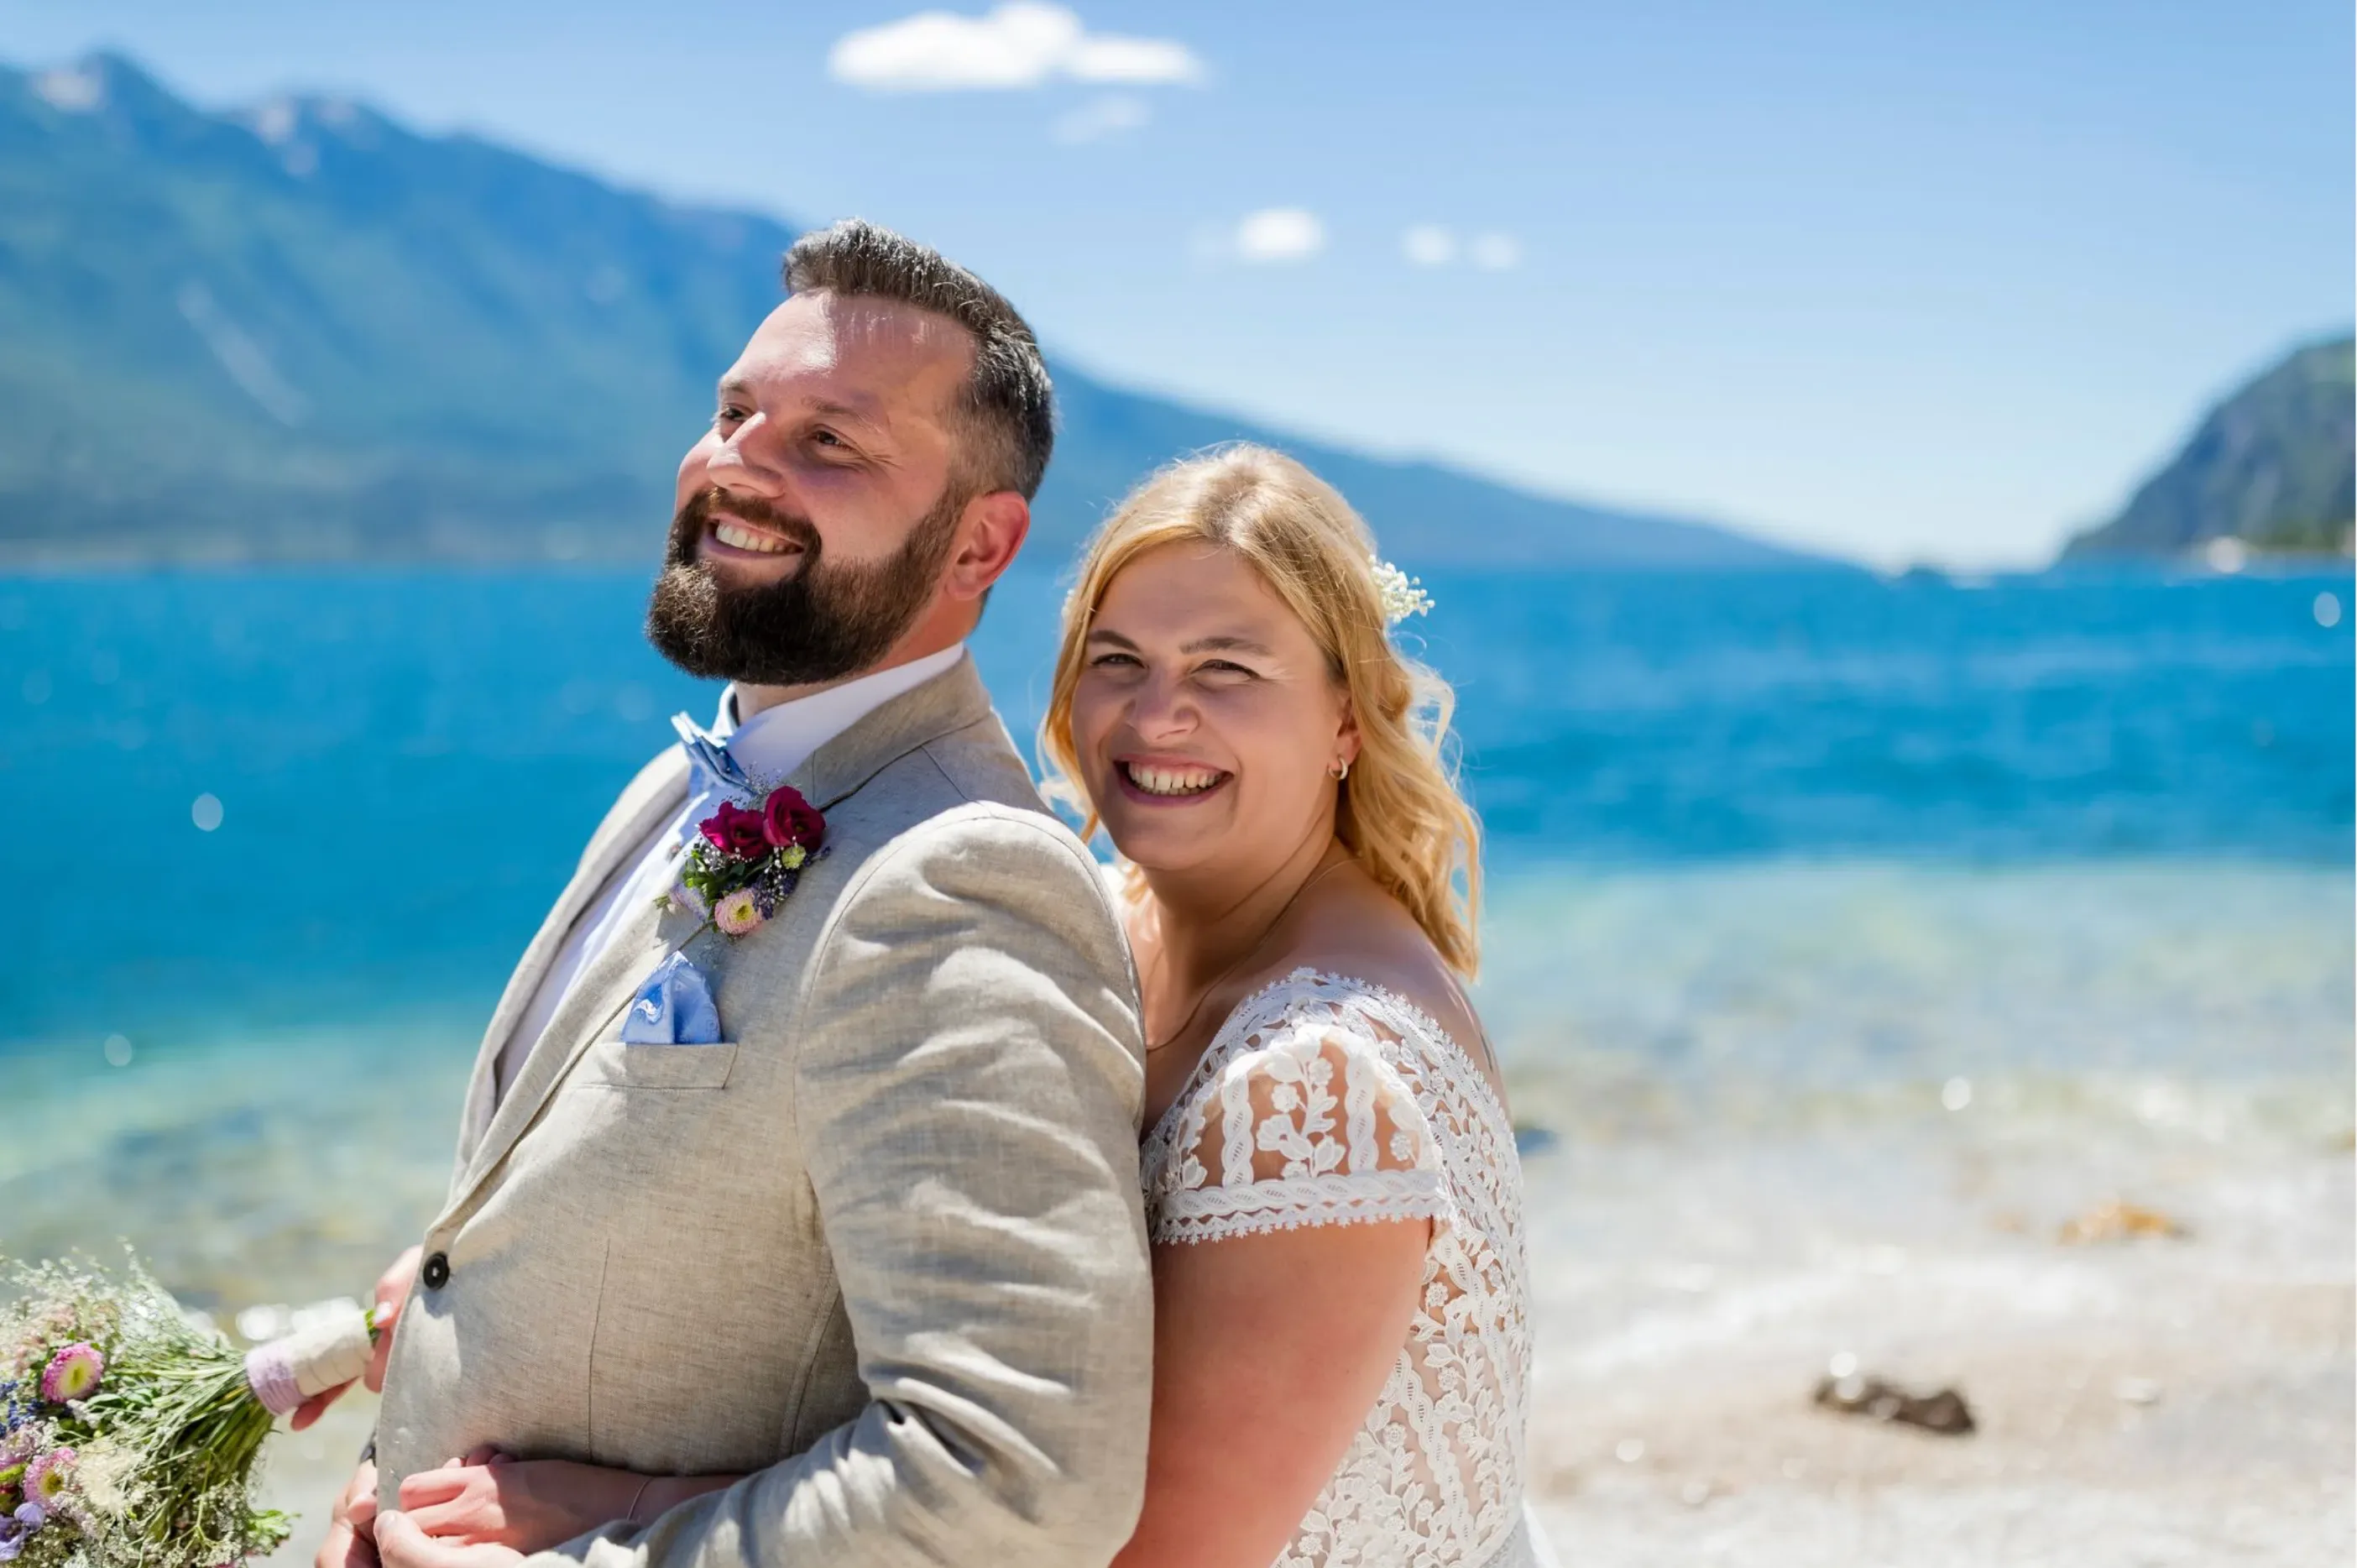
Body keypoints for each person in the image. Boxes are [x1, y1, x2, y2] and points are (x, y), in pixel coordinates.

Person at [308, 218, 1154, 1568]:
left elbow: (1023, 1477)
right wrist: (451, 1333)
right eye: (734, 410)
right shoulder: (680, 783)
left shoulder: (962, 879)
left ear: (982, 547)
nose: (737, 463)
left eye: (832, 441)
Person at [1042, 446, 1535, 1567]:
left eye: (1226, 669)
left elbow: (1162, 1557)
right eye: (1119, 659)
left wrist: (653, 1506)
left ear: (1348, 721)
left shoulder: (1315, 1081)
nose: (1156, 715)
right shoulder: (1111, 928)